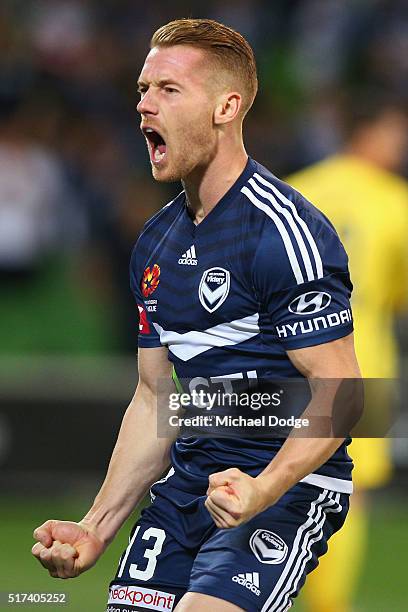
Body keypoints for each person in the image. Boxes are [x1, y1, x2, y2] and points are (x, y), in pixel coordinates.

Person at [32, 19, 361, 612]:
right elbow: (155, 397)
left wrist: (262, 489)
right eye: (142, 88)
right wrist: (96, 527)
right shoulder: (155, 244)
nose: (143, 106)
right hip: (189, 485)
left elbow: (341, 393)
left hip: (287, 488)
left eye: (167, 90)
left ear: (226, 107)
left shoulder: (283, 231)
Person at [287, 94, 408, 612]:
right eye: (396, 132)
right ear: (373, 132)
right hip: (363, 370)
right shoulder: (393, 201)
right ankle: (329, 604)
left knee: (275, 483)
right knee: (346, 494)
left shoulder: (296, 190)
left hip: (286, 365)